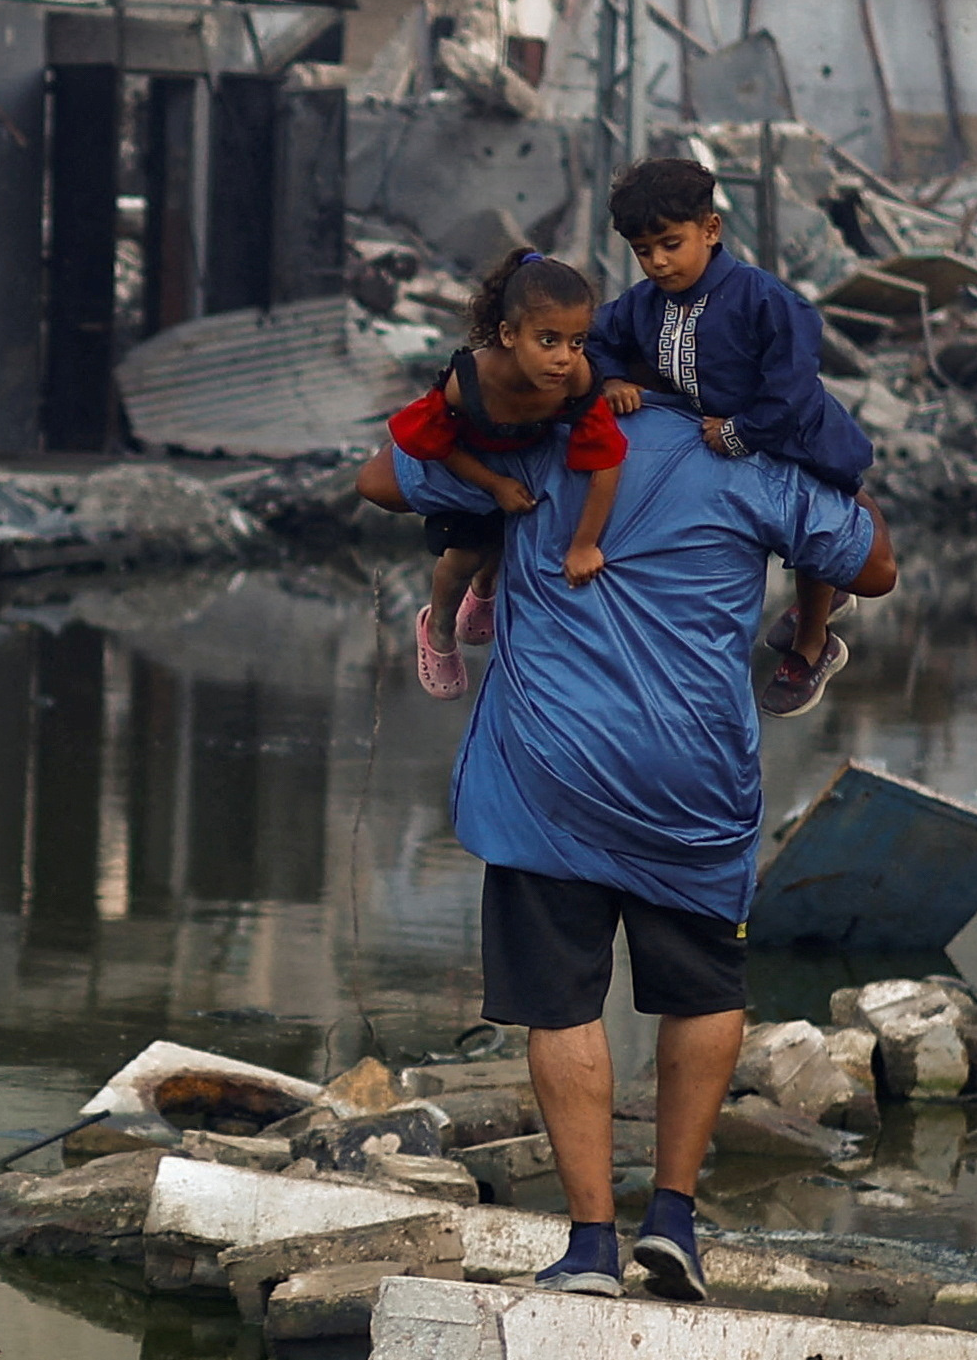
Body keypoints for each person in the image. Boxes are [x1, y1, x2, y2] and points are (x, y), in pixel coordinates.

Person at [356, 400, 896, 1303]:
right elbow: (873, 565)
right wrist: (820, 455)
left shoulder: (538, 439)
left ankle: (591, 1245)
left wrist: (490, 409)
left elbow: (378, 479)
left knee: (563, 1004)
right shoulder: (751, 455)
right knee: (703, 989)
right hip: (694, 781)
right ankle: (675, 1220)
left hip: (548, 774)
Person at [587, 156, 875, 718]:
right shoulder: (643, 305)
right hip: (711, 436)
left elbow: (790, 391)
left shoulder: (765, 300)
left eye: (671, 243)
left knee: (814, 535)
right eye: (644, 251)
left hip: (800, 438)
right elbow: (596, 337)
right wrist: (613, 378)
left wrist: (741, 434)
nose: (658, 262)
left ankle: (814, 643)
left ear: (710, 230)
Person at [385, 249, 628, 701]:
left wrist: (583, 545)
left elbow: (606, 459)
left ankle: (484, 593)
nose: (564, 358)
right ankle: (437, 627)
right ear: (509, 335)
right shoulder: (473, 379)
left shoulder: (576, 380)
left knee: (507, 535)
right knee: (462, 556)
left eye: (577, 342)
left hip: (522, 462)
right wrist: (492, 484)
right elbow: (436, 444)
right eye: (549, 341)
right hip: (471, 466)